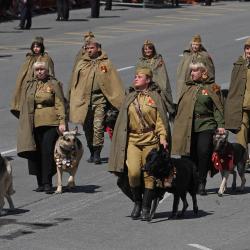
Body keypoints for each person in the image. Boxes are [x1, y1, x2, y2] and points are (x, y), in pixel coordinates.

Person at [108, 67, 171, 221]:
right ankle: (137, 201)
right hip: (133, 140)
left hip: (150, 139)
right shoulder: (129, 97)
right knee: (133, 173)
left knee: (149, 174)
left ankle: (146, 206)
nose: (135, 78)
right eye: (135, 76)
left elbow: (160, 120)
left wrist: (163, 137)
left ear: (148, 80)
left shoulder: (155, 97)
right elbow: (123, 120)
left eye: (139, 77)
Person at [68, 38, 125, 164]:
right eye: (87, 48)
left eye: (92, 48)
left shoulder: (106, 63)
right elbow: (74, 83)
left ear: (98, 48)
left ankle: (98, 152)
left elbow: (114, 83)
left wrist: (118, 101)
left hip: (100, 100)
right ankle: (92, 151)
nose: (89, 50)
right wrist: (71, 98)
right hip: (84, 102)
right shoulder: (82, 63)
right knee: (87, 128)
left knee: (98, 127)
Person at [172, 62, 225, 195]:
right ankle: (193, 181)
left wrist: (220, 125)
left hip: (206, 123)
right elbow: (181, 108)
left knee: (203, 151)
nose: (192, 73)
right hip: (189, 126)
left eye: (195, 71)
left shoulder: (212, 87)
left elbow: (217, 108)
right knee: (190, 154)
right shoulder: (188, 88)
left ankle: (202, 182)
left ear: (203, 72)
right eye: (191, 71)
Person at [16, 61, 66, 194]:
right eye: (37, 70)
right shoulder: (30, 85)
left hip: (51, 121)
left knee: (47, 151)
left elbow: (60, 103)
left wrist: (62, 122)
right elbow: (23, 103)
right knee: (35, 151)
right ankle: (40, 182)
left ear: (47, 70)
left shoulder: (54, 84)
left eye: (42, 69)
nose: (40, 72)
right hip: (33, 122)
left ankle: (47, 182)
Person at [10, 36, 55, 118]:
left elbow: (50, 74)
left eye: (37, 46)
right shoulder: (29, 58)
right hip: (27, 87)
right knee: (26, 108)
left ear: (41, 47)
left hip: (40, 87)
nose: (35, 48)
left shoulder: (46, 58)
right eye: (34, 46)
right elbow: (22, 74)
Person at [224, 38, 250, 160]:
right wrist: (231, 105)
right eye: (247, 48)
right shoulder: (239, 65)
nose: (249, 51)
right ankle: (244, 158)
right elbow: (233, 87)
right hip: (242, 107)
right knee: (241, 132)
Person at [136, 40, 175, 117]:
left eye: (149, 49)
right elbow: (138, 76)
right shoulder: (140, 62)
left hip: (158, 89)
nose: (148, 51)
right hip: (146, 89)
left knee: (162, 109)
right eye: (146, 49)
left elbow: (162, 76)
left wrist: (160, 88)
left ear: (153, 49)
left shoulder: (158, 60)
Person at [176, 34, 215, 102]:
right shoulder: (187, 55)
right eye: (193, 44)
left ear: (200, 45)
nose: (195, 46)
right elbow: (181, 71)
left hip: (200, 85)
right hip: (187, 85)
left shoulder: (205, 56)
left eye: (197, 45)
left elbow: (210, 72)